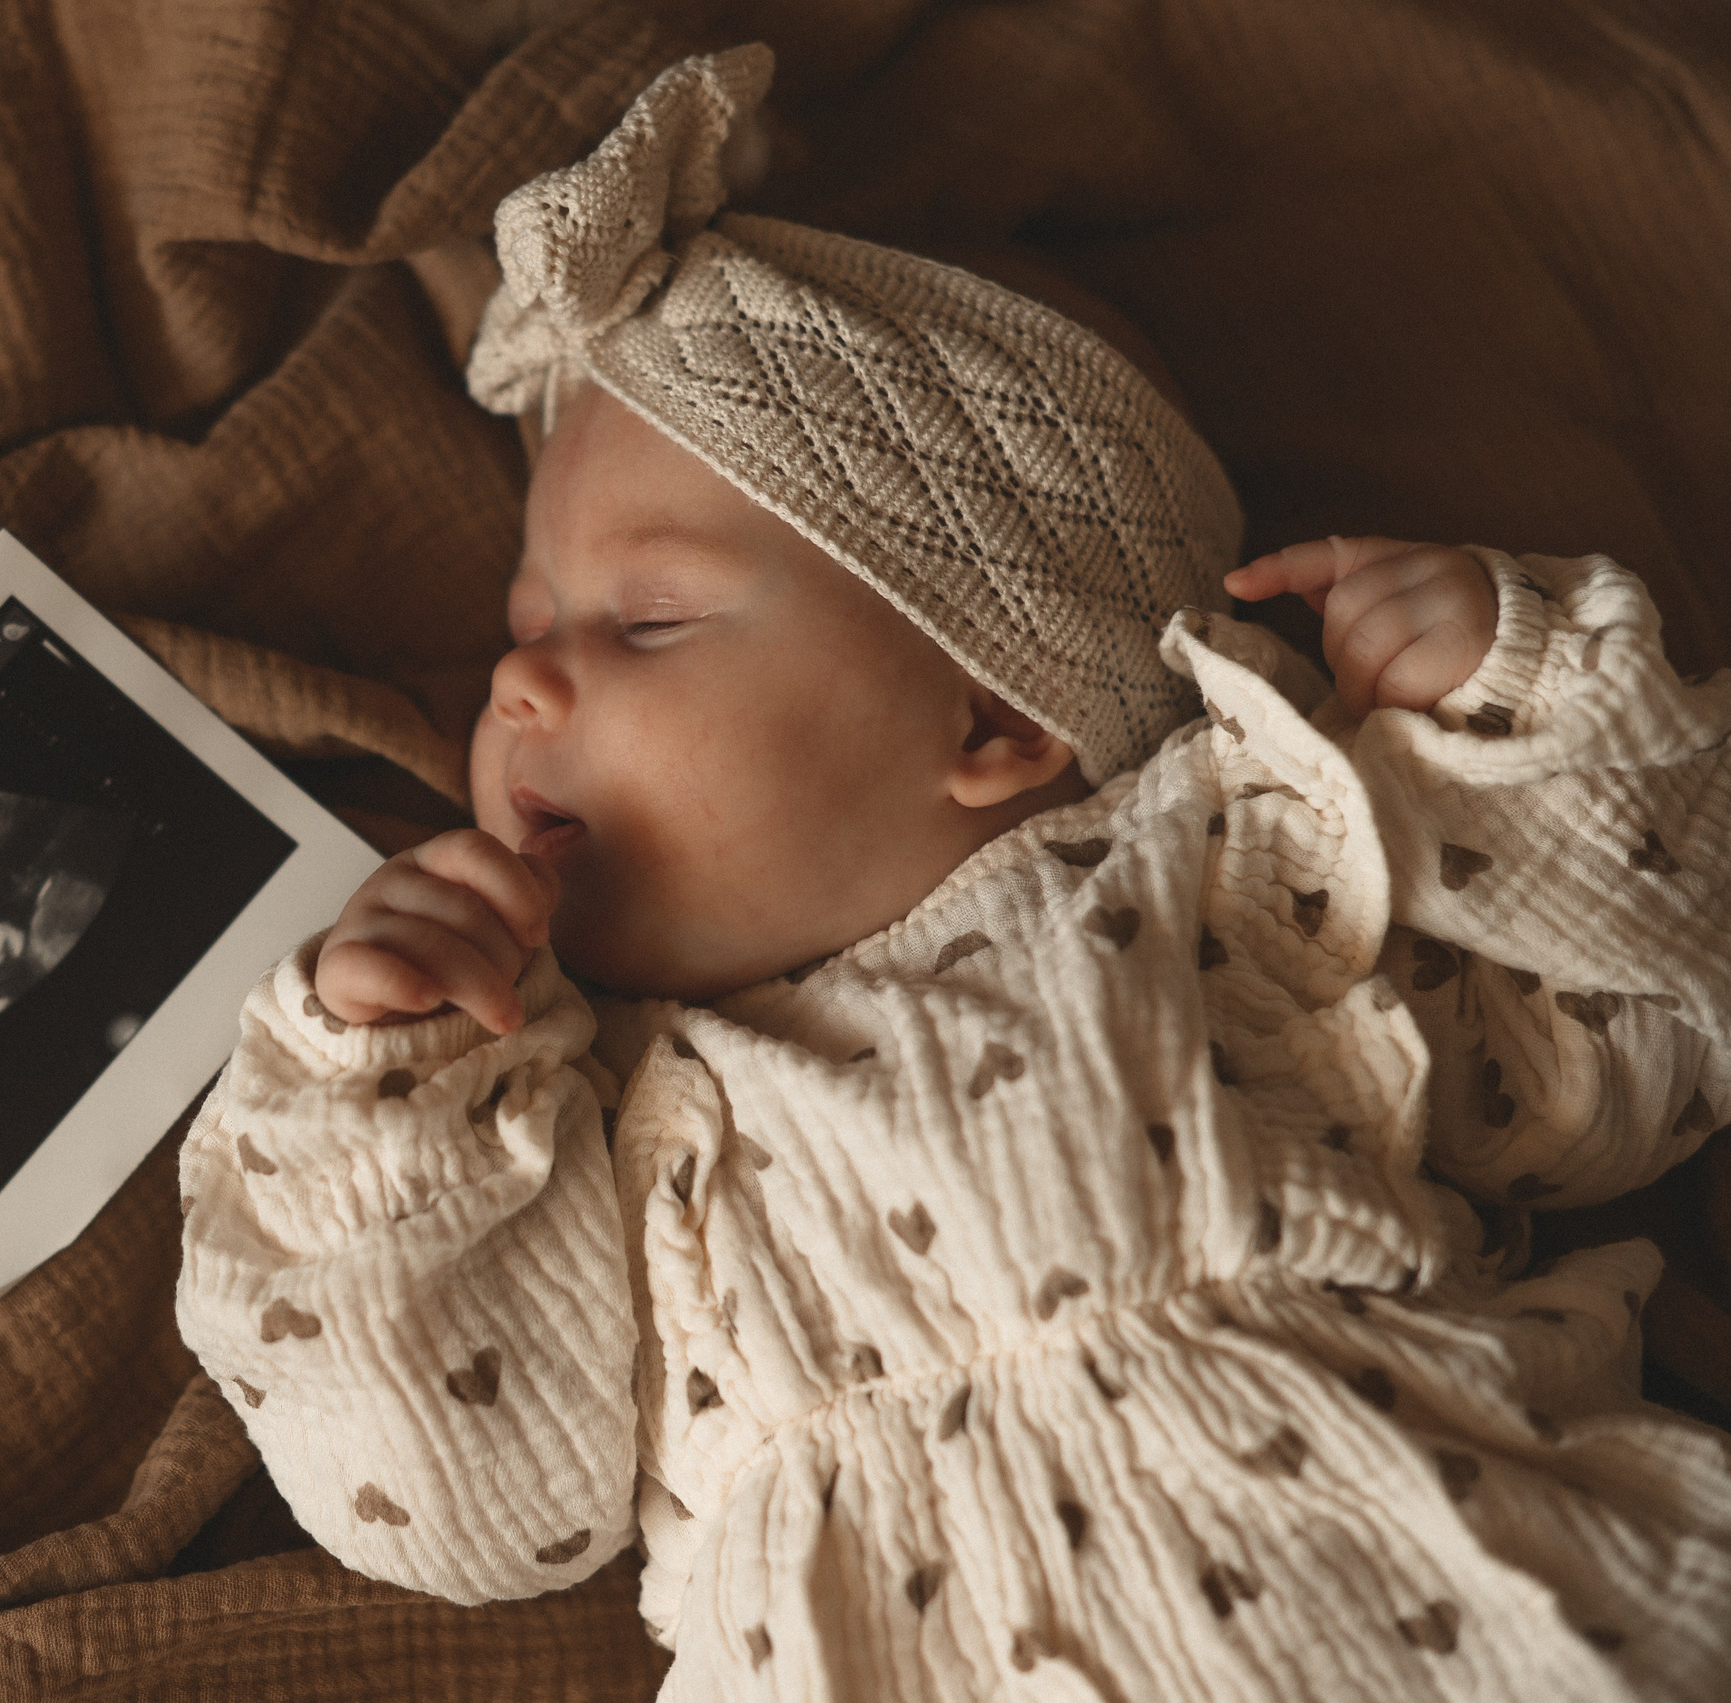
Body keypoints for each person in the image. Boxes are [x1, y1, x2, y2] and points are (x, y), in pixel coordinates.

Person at [176, 46, 1731, 1702]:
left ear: (993, 718)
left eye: (649, 622)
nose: (519, 685)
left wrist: (1516, 711)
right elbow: (461, 1511)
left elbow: (1627, 1064)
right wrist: (382, 1103)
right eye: (528, 625)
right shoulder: (558, 1118)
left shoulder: (1227, 869)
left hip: (1412, 1596)